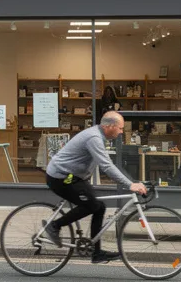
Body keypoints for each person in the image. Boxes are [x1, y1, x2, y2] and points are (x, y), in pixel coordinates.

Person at [44, 111, 148, 264]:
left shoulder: (98, 136)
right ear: (110, 126)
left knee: (99, 207)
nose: (121, 132)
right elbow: (106, 165)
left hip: (73, 176)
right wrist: (130, 184)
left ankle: (96, 252)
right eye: (120, 128)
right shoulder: (94, 138)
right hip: (61, 177)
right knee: (91, 205)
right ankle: (53, 226)